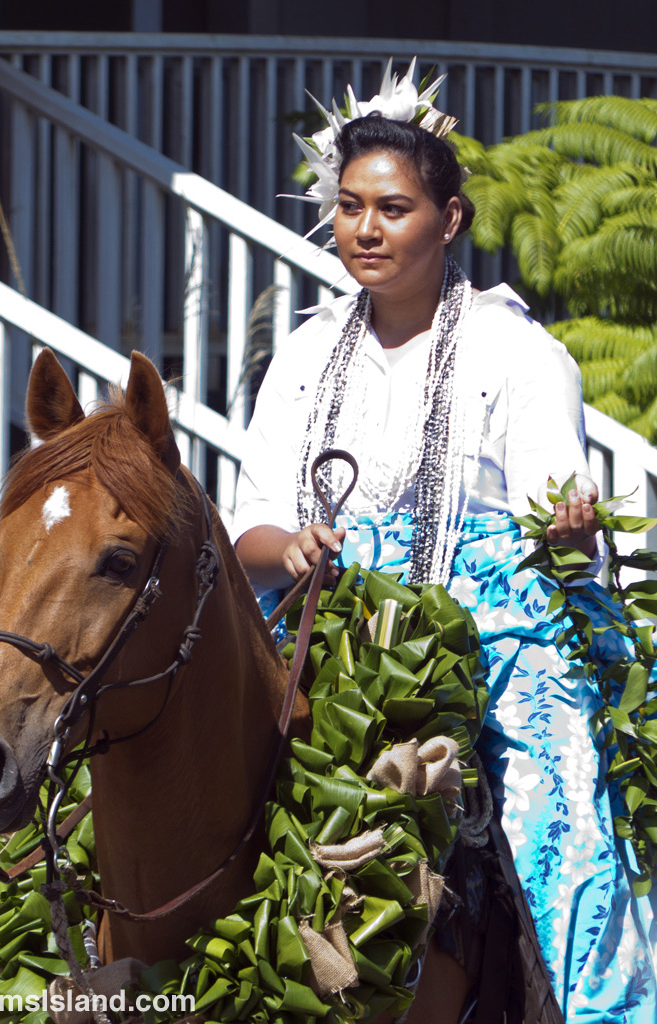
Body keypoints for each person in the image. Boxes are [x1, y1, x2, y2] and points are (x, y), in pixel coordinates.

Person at [231, 62, 657, 1023]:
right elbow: (245, 525)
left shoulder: (518, 351)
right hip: (323, 615)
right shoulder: (301, 355)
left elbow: (558, 515)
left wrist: (567, 526)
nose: (366, 230)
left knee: (568, 808)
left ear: (451, 220)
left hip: (488, 625)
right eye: (348, 207)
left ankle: (599, 1000)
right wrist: (291, 550)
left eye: (393, 207)